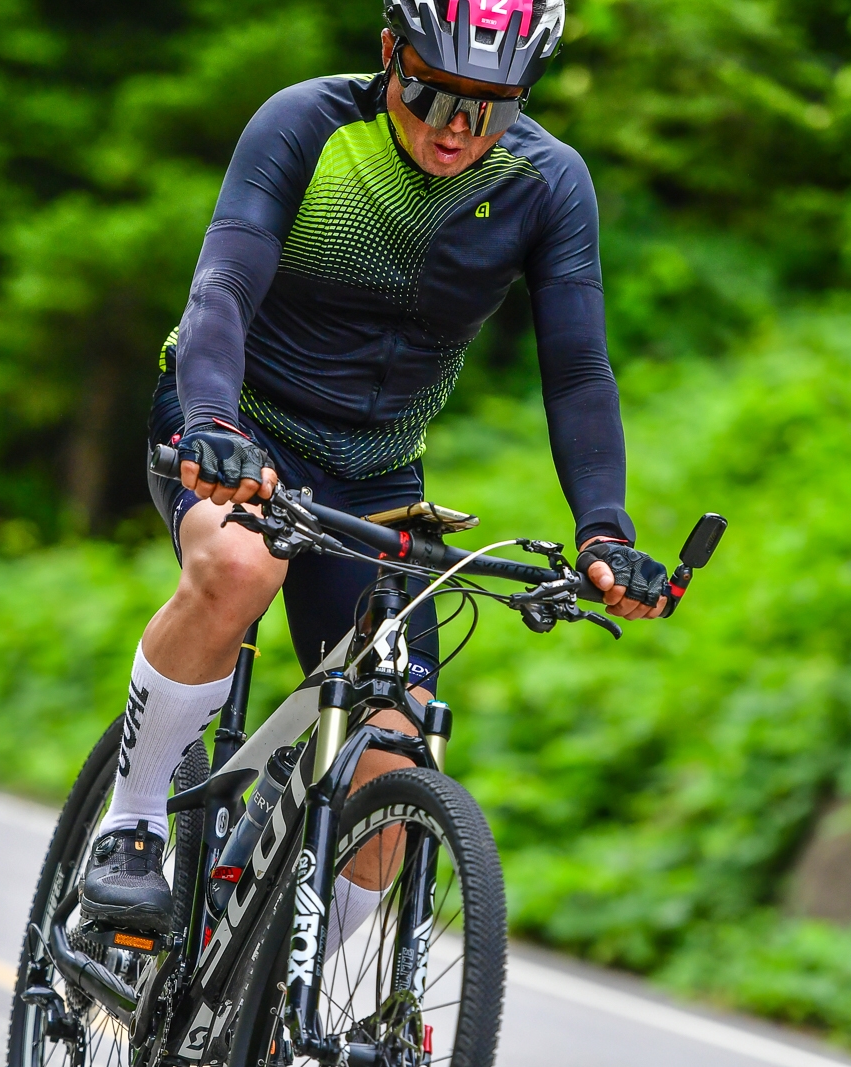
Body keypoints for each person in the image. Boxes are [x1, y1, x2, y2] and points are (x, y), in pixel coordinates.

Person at [79, 0, 673, 933]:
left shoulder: (548, 181)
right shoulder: (307, 123)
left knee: (396, 753)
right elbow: (222, 287)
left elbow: (578, 372)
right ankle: (134, 825)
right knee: (239, 565)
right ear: (390, 53)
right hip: (238, 422)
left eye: (492, 105)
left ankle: (282, 987)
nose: (459, 128)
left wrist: (604, 529)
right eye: (436, 95)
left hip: (378, 469)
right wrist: (212, 423)